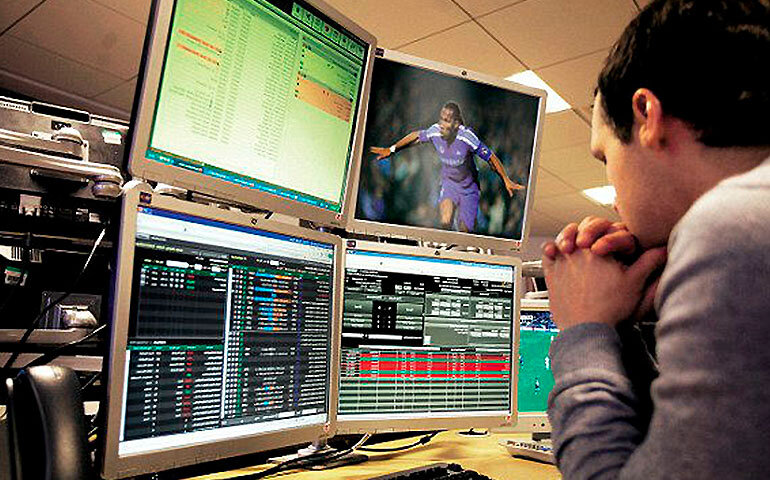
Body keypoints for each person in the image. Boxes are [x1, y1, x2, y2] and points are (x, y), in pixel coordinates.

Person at [540, 0, 770, 478]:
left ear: (647, 115)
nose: (613, 198)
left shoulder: (732, 228)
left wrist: (583, 329)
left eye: (605, 158)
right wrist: (616, 329)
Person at [369, 102, 524, 232]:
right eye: (441, 119)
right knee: (445, 221)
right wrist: (392, 149)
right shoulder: (435, 131)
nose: (442, 124)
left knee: (464, 231)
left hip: (469, 188)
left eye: (447, 121)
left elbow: (491, 157)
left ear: (456, 124)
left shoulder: (467, 137)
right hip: (449, 183)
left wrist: (505, 179)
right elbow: (415, 136)